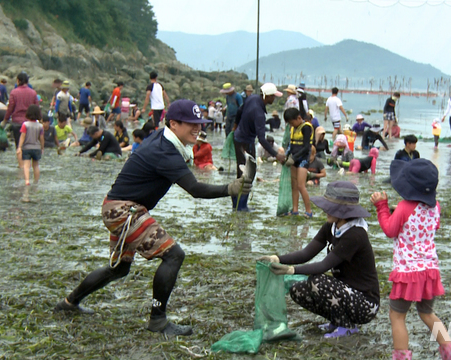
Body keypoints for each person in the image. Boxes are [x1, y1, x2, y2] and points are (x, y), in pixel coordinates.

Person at [54, 100, 252, 336]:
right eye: (191, 123)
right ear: (174, 124)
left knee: (118, 270)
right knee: (174, 255)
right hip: (124, 210)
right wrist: (230, 188)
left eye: (200, 123)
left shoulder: (164, 140)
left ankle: (68, 303)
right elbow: (195, 189)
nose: (198, 128)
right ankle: (158, 320)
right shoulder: (165, 151)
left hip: (116, 207)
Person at [260, 181, 380, 338]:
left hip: (365, 304)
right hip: (346, 293)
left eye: (330, 208)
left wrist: (291, 270)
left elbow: (324, 265)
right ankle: (337, 321)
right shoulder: (331, 227)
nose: (325, 210)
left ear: (344, 211)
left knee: (318, 282)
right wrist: (277, 258)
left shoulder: (355, 235)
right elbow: (306, 253)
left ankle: (347, 327)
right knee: (298, 290)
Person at [371, 159, 451, 360]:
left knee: (397, 315)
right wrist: (400, 215)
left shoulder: (403, 207)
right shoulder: (436, 206)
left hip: (408, 272)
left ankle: (402, 358)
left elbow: (390, 230)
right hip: (430, 270)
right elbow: (429, 225)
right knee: (427, 313)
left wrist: (382, 207)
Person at [234, 83, 286, 211]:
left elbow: (240, 110)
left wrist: (235, 125)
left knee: (241, 173)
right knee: (248, 174)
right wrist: (276, 155)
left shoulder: (252, 98)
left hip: (238, 137)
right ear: (267, 96)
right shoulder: (259, 114)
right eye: (273, 96)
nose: (274, 99)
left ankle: (237, 205)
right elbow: (262, 139)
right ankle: (241, 206)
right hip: (246, 141)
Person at [283, 108, 313, 218]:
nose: (292, 125)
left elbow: (306, 148)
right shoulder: (293, 128)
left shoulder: (306, 128)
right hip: (294, 159)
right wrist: (287, 156)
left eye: (292, 122)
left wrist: (294, 158)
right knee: (294, 186)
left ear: (299, 118)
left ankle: (309, 211)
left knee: (301, 186)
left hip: (303, 159)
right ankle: (295, 210)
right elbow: (291, 145)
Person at [4, 72, 39, 167]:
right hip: (30, 123)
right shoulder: (33, 93)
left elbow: (10, 107)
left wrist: (5, 120)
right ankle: (29, 165)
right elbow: (37, 107)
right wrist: (40, 120)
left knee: (19, 145)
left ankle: (21, 166)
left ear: (18, 81)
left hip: (17, 123)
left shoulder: (14, 92)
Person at [16, 105, 44, 186]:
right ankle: (36, 181)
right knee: (36, 165)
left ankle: (27, 181)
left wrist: (19, 147)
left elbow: (22, 136)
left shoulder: (25, 124)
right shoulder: (40, 126)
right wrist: (42, 147)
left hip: (27, 147)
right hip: (36, 148)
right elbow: (41, 138)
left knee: (26, 165)